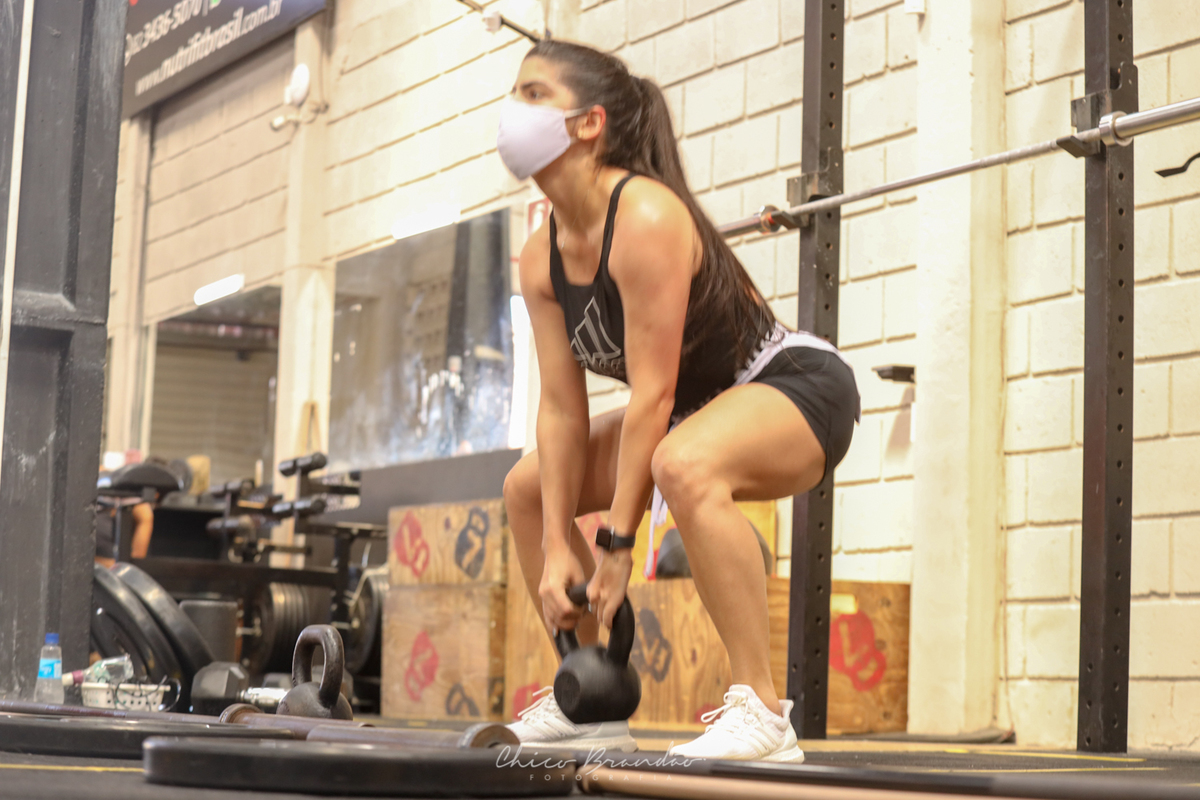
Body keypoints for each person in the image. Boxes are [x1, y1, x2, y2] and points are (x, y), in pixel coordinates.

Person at [498, 40, 860, 762]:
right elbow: (562, 410)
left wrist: (616, 548)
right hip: (691, 416)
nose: (514, 110)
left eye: (534, 94)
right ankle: (589, 698)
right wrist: (554, 550)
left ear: (589, 123)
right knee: (526, 489)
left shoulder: (646, 215)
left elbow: (654, 394)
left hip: (792, 385)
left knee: (681, 462)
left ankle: (763, 712)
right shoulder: (540, 255)